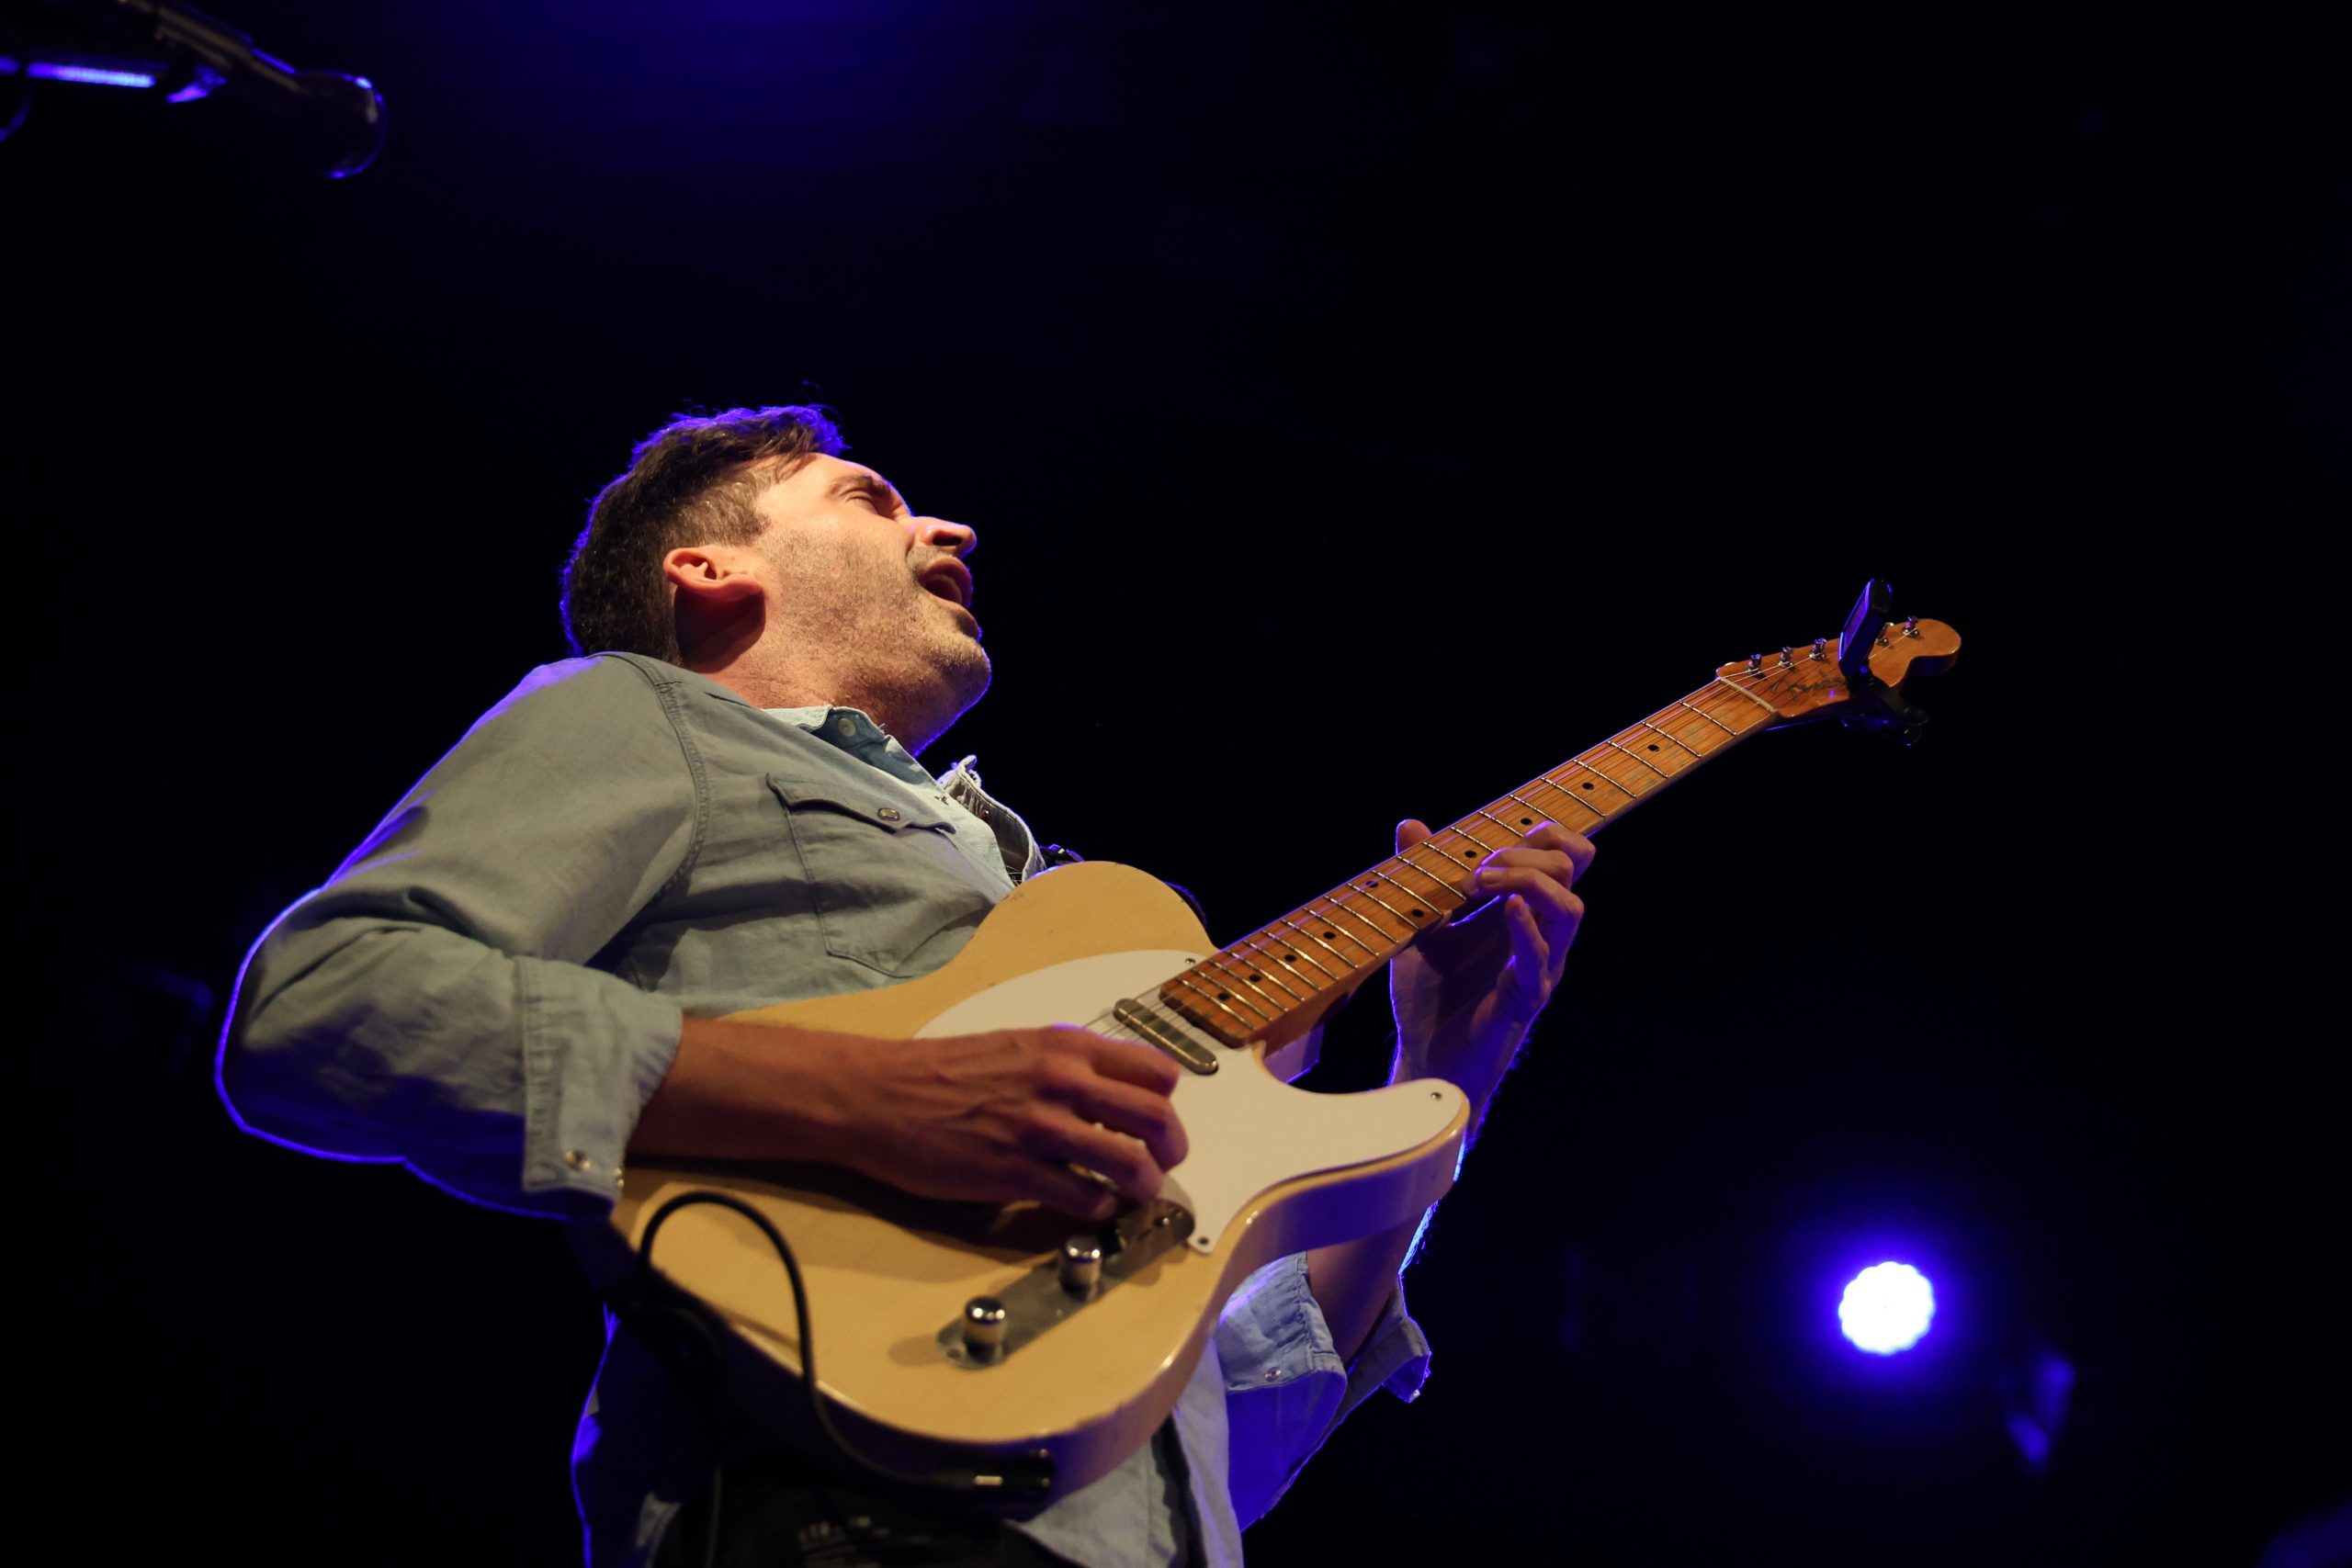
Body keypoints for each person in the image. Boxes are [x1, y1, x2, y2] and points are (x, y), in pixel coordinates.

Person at [218, 405, 1594, 1567]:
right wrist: (880, 1098)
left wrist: (1450, 1067)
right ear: (709, 568)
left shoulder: (1070, 912)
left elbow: (1242, 1442)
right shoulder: (638, 712)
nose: (953, 530)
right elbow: (325, 999)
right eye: (869, 497)